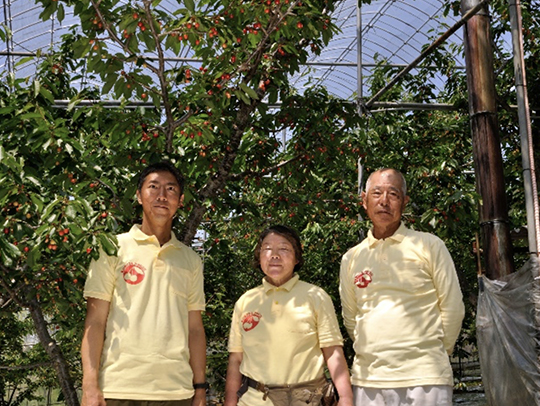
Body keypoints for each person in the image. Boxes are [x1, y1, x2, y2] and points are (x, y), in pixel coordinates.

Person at [81, 161, 207, 406]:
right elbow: (95, 322)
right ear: (138, 196)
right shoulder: (112, 248)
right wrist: (89, 384)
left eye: (170, 189)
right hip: (118, 390)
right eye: (153, 187)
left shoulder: (190, 260)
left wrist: (200, 389)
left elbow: (195, 330)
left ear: (180, 201)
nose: (162, 196)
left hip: (177, 393)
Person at [339, 168, 465, 406]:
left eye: (393, 194)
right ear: (364, 201)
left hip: (426, 378)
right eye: (377, 193)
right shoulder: (352, 258)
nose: (384, 201)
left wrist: (433, 354)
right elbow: (351, 318)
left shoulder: (429, 245)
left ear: (404, 202)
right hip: (369, 380)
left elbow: (452, 308)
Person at [224, 225, 354, 406]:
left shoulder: (315, 297)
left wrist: (346, 398)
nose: (274, 255)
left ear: (296, 257)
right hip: (254, 400)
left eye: (284, 249)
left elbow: (332, 351)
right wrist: (230, 402)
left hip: (307, 399)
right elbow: (236, 359)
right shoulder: (246, 301)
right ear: (259, 257)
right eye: (267, 249)